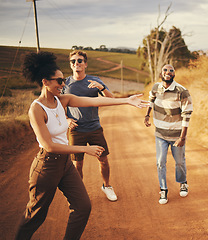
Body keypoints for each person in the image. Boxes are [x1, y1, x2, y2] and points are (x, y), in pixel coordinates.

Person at [15, 51, 148, 240]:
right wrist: (85, 149)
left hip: (65, 166)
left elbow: (94, 100)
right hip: (47, 166)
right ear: (45, 82)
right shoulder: (36, 109)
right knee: (35, 215)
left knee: (83, 207)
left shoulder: (63, 100)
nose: (63, 85)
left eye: (63, 81)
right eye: (59, 81)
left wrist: (126, 100)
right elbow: (49, 145)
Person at [62, 50, 117, 201]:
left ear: (85, 64)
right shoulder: (65, 83)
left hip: (94, 128)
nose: (76, 63)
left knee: (103, 160)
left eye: (79, 61)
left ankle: (107, 186)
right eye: (73, 61)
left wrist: (101, 88)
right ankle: (80, 193)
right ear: (70, 65)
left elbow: (111, 99)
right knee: (77, 164)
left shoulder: (94, 80)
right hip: (76, 130)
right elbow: (59, 105)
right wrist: (66, 119)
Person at [144, 64, 193, 205]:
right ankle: (163, 190)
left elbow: (187, 114)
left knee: (179, 161)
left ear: (174, 74)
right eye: (165, 70)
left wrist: (182, 137)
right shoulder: (155, 87)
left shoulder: (182, 91)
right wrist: (147, 115)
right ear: (161, 72)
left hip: (177, 135)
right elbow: (151, 100)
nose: (168, 72)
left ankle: (183, 182)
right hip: (160, 133)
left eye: (171, 70)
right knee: (160, 162)